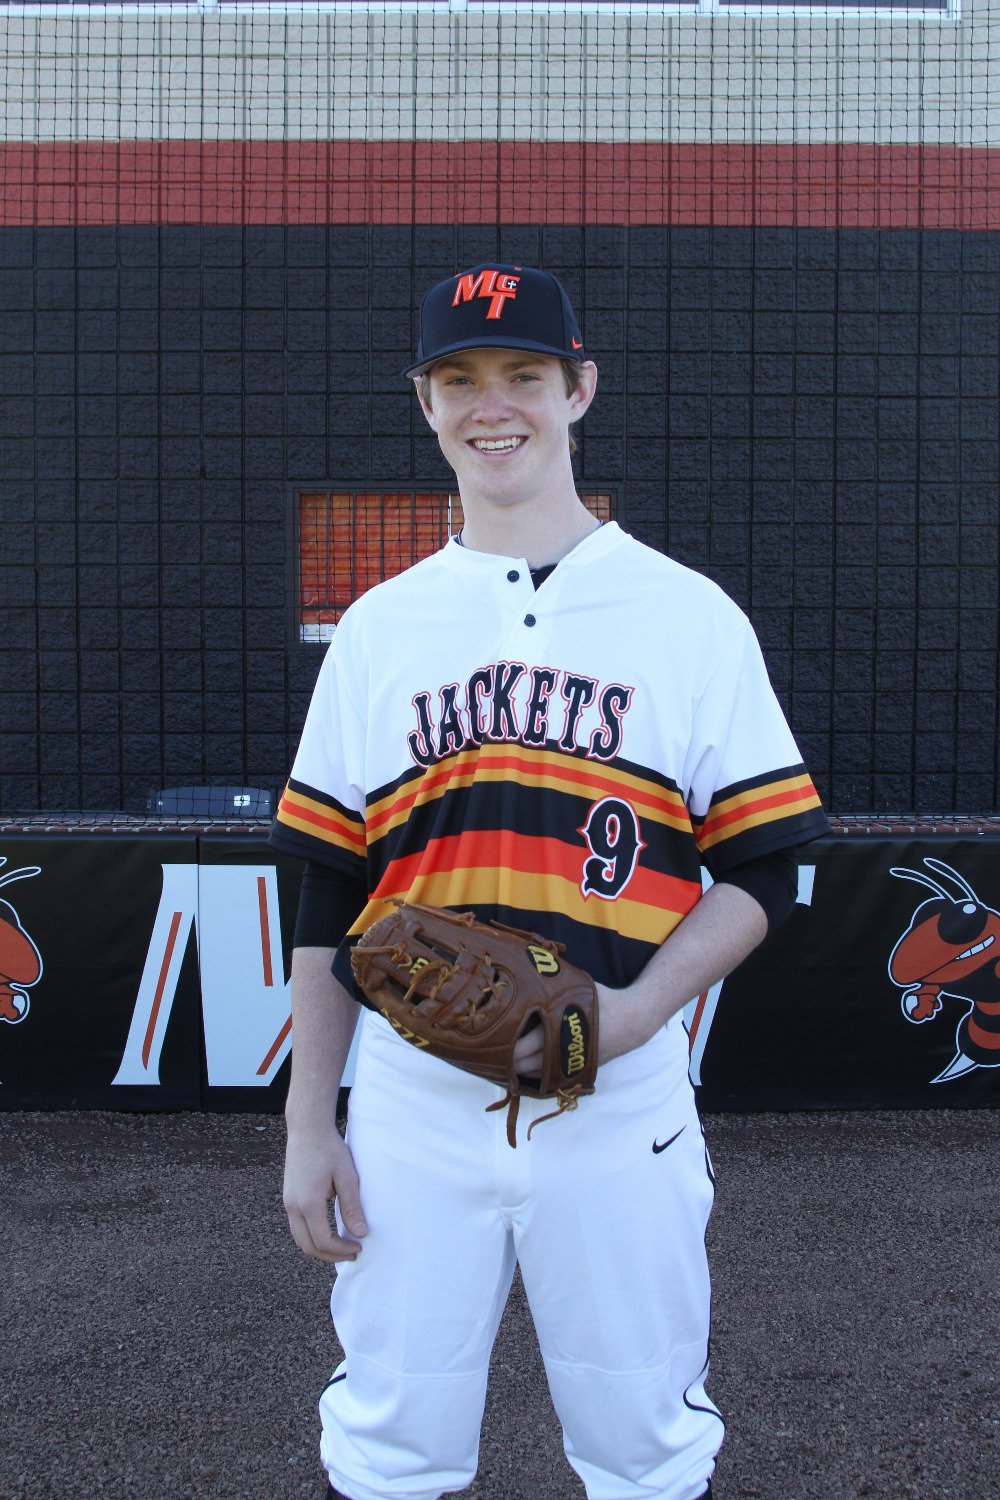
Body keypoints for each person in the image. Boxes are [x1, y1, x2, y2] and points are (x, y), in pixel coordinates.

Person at [269, 263, 829, 1500]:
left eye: (523, 373)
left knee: (646, 1445)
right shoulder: (379, 629)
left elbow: (767, 865)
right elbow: (322, 887)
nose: (493, 405)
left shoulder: (686, 615)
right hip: (413, 1100)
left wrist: (628, 1018)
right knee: (388, 1442)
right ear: (425, 403)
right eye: (460, 378)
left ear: (578, 389)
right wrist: (313, 1125)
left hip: (620, 1100)